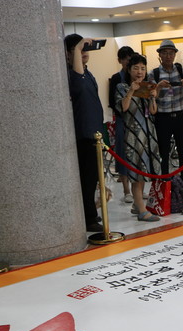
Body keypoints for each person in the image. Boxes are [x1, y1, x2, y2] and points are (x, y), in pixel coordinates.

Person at [115, 53, 163, 222]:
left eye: (143, 68)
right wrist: (131, 91)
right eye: (136, 68)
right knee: (137, 174)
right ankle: (142, 211)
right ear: (129, 70)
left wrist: (153, 97)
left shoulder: (147, 87)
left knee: (144, 171)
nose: (140, 72)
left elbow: (153, 111)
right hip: (133, 135)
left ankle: (137, 205)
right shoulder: (122, 87)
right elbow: (123, 107)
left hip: (148, 134)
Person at [65, 33, 104, 232]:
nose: (83, 52)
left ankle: (91, 213)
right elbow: (79, 85)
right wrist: (79, 48)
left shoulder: (87, 73)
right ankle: (89, 218)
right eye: (77, 50)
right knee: (87, 179)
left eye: (85, 49)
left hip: (94, 132)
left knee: (93, 177)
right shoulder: (72, 75)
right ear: (68, 54)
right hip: (83, 133)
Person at [152, 40, 183, 196]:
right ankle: (165, 183)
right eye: (165, 53)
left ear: (175, 54)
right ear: (159, 55)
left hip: (180, 116)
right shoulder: (154, 73)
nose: (168, 56)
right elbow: (151, 96)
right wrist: (158, 86)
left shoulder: (182, 71)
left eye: (171, 53)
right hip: (162, 117)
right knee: (163, 152)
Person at [108, 45, 135, 203]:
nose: (127, 62)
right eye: (124, 59)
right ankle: (126, 190)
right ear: (120, 60)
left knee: (137, 155)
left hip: (137, 120)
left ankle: (138, 188)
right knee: (123, 154)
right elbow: (112, 102)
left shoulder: (137, 77)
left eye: (129, 59)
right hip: (122, 120)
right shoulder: (116, 78)